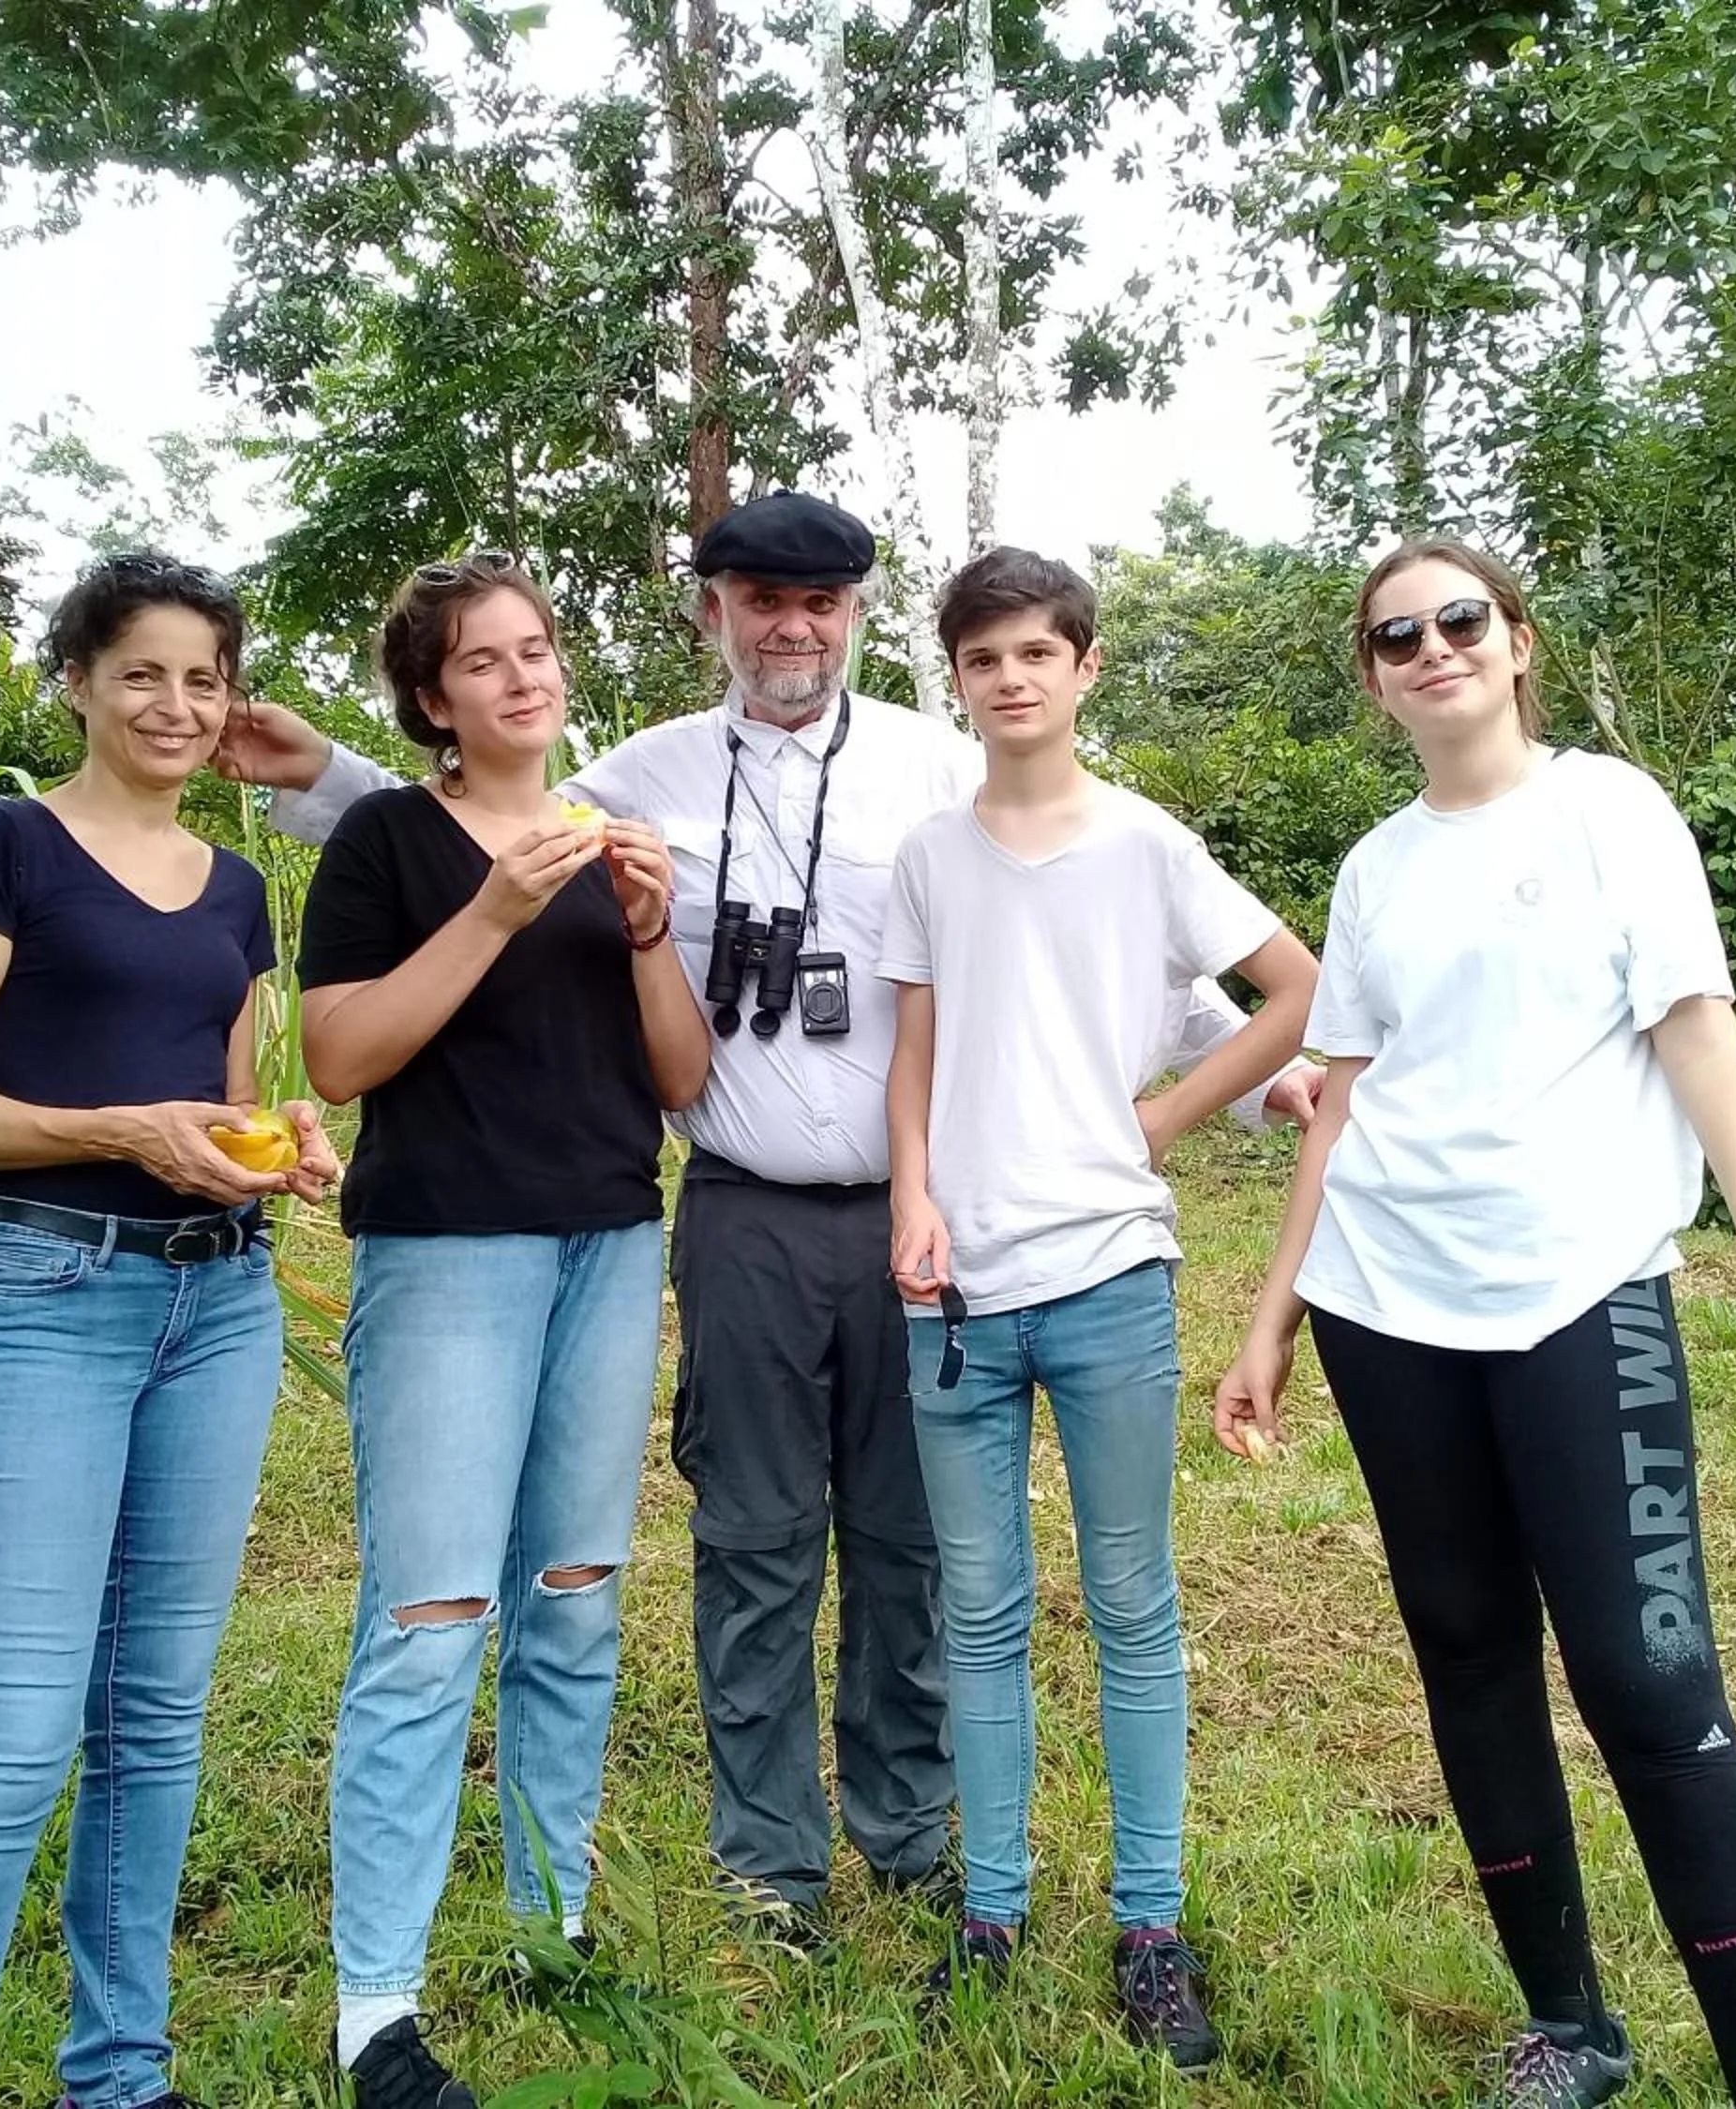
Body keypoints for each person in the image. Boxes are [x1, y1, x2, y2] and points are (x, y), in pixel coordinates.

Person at [217, 492, 1319, 1950]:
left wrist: (1248, 1077)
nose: (791, 627)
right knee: (751, 1537)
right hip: (737, 1207)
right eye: (757, 600)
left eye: (822, 601)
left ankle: (912, 1830)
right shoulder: (643, 774)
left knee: (909, 1540)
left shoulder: (944, 768)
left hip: (932, 1218)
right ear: (715, 614)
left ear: (860, 612)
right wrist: (318, 773)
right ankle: (768, 1864)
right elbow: (477, 814)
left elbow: (1077, 938)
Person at [1215, 538, 1736, 2109]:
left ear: (1515, 642)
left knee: (1649, 1678)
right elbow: (1344, 1098)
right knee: (1467, 1647)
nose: (1432, 648)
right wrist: (1273, 1310)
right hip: (1388, 1304)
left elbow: (1700, 1040)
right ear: (1374, 680)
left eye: (1459, 620)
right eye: (1396, 636)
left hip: (1583, 1291)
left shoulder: (1609, 812)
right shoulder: (1375, 869)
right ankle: (1573, 2028)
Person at [0, 552, 338, 2109]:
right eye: (143, 672)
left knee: (153, 1720)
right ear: (75, 677)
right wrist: (120, 1130)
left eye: (206, 678)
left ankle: (118, 2075)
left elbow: (237, 1096)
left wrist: (287, 1139)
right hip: (53, 1292)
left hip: (224, 1303)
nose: (178, 705)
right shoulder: (8, 849)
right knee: (7, 1730)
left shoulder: (240, 889)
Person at [883, 547, 1318, 2068]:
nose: (1011, 678)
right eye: (982, 656)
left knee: (1133, 1603)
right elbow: (916, 1048)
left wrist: (1163, 1117)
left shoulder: (1146, 845)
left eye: (1036, 653)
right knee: (981, 1608)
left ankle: (1150, 1923)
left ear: (1084, 669)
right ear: (957, 678)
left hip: (1111, 1281)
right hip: (957, 1292)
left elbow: (1295, 990)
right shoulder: (932, 857)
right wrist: (910, 1197)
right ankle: (990, 1915)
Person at [296, 557, 710, 2109]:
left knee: (577, 1599)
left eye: (539, 649)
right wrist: (491, 908)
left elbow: (677, 1082)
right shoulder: (388, 840)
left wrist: (651, 930)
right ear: (432, 699)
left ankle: (557, 1922)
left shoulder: (611, 841)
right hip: (449, 1257)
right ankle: (376, 2011)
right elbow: (340, 1058)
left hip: (609, 1243)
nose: (525, 677)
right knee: (430, 1620)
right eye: (486, 662)